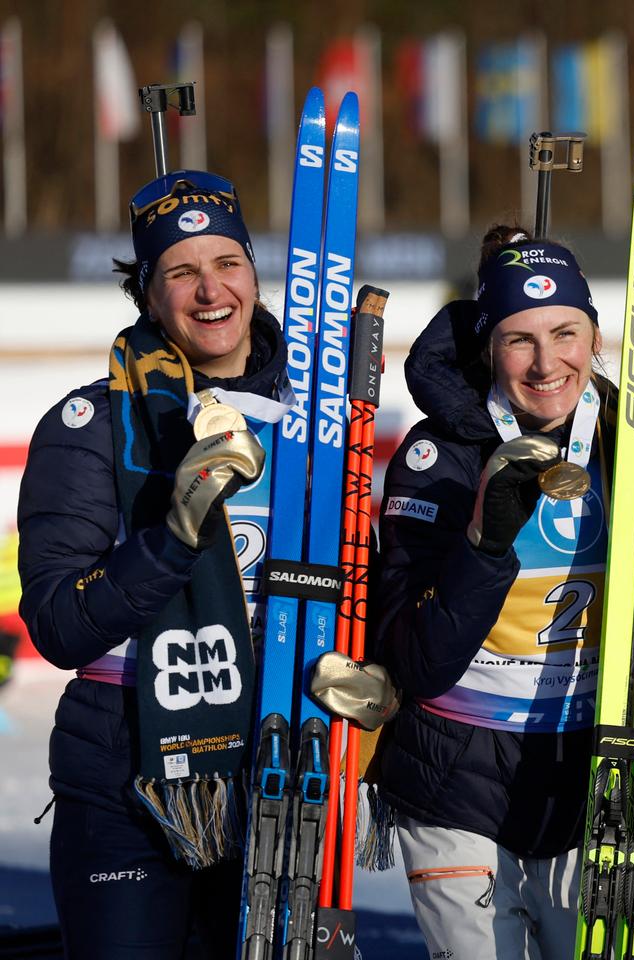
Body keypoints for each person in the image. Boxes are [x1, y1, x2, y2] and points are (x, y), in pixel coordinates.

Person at [373, 226, 634, 959]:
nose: (545, 363)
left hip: (598, 781)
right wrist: (484, 545)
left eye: (565, 333)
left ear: (594, 336)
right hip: (455, 785)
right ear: (488, 347)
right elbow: (416, 663)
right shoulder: (436, 458)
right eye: (519, 339)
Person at [17, 171, 287, 956]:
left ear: (253, 272)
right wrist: (173, 535)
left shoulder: (315, 421)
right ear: (148, 294)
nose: (211, 291)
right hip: (122, 777)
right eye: (181, 271)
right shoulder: (90, 424)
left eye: (227, 263)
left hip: (277, 773)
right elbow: (60, 626)